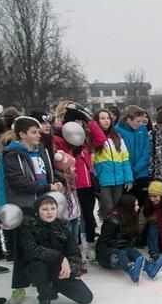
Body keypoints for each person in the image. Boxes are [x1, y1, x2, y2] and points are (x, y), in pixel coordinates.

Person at [0, 116, 62, 304]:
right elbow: (18, 180)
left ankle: (45, 281)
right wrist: (46, 187)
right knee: (24, 248)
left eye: (38, 131)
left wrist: (56, 181)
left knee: (47, 244)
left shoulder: (40, 150)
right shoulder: (13, 154)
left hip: (43, 204)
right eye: (34, 132)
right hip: (25, 205)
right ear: (22, 134)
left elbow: (47, 171)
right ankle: (18, 287)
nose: (38, 135)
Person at [18, 195, 93, 304]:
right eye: (45, 209)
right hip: (37, 268)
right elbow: (33, 250)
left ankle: (54, 285)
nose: (49, 212)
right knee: (39, 266)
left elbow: (74, 251)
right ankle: (44, 299)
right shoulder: (28, 226)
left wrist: (70, 268)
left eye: (53, 208)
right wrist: (60, 257)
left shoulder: (61, 226)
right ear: (37, 211)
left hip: (59, 269)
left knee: (86, 298)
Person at [54, 103, 106, 247]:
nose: (78, 124)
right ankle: (74, 247)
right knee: (73, 217)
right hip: (73, 183)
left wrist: (89, 120)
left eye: (79, 122)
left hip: (88, 183)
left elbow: (101, 140)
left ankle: (89, 244)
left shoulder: (83, 138)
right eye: (75, 121)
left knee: (89, 216)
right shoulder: (60, 137)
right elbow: (59, 157)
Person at [97, 194, 162, 283]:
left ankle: (150, 268)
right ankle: (131, 271)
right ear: (128, 206)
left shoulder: (130, 217)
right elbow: (104, 242)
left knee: (132, 251)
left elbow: (130, 240)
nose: (138, 208)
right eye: (135, 205)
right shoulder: (112, 221)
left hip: (121, 249)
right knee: (122, 253)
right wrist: (120, 245)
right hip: (106, 255)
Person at [93, 109, 134, 218]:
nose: (106, 121)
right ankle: (108, 233)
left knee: (117, 210)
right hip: (104, 180)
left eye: (108, 118)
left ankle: (116, 233)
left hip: (119, 179)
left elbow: (125, 158)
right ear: (96, 121)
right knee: (108, 210)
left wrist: (128, 178)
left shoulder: (117, 137)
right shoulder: (93, 138)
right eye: (102, 118)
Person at [116, 105, 151, 201]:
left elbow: (146, 150)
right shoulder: (117, 130)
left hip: (141, 172)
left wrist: (137, 168)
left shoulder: (142, 129)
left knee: (142, 201)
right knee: (127, 203)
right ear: (128, 119)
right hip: (125, 174)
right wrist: (128, 171)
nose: (140, 124)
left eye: (141, 121)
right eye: (137, 121)